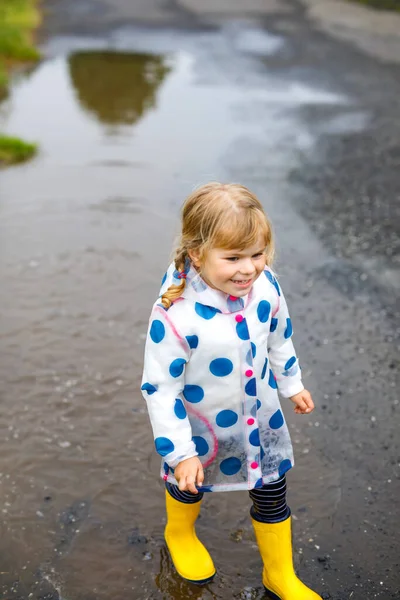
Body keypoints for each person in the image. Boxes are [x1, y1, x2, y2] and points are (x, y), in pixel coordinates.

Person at [141, 182, 321, 599]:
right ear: (197, 254)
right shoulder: (175, 315)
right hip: (201, 422)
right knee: (189, 482)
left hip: (261, 415)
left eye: (258, 254)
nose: (248, 269)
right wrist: (181, 452)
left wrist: (291, 384)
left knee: (272, 486)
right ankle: (180, 533)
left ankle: (280, 574)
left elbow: (279, 338)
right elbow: (160, 386)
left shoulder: (266, 287)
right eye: (234, 257)